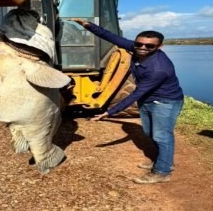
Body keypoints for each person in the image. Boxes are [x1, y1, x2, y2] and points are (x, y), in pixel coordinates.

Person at [70, 18, 184, 184]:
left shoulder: (158, 69)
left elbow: (135, 94)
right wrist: (87, 25)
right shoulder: (137, 49)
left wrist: (109, 112)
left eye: (149, 46)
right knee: (150, 133)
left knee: (162, 136)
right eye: (139, 44)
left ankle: (162, 172)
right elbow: (111, 37)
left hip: (165, 102)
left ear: (159, 47)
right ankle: (164, 161)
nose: (142, 48)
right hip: (148, 100)